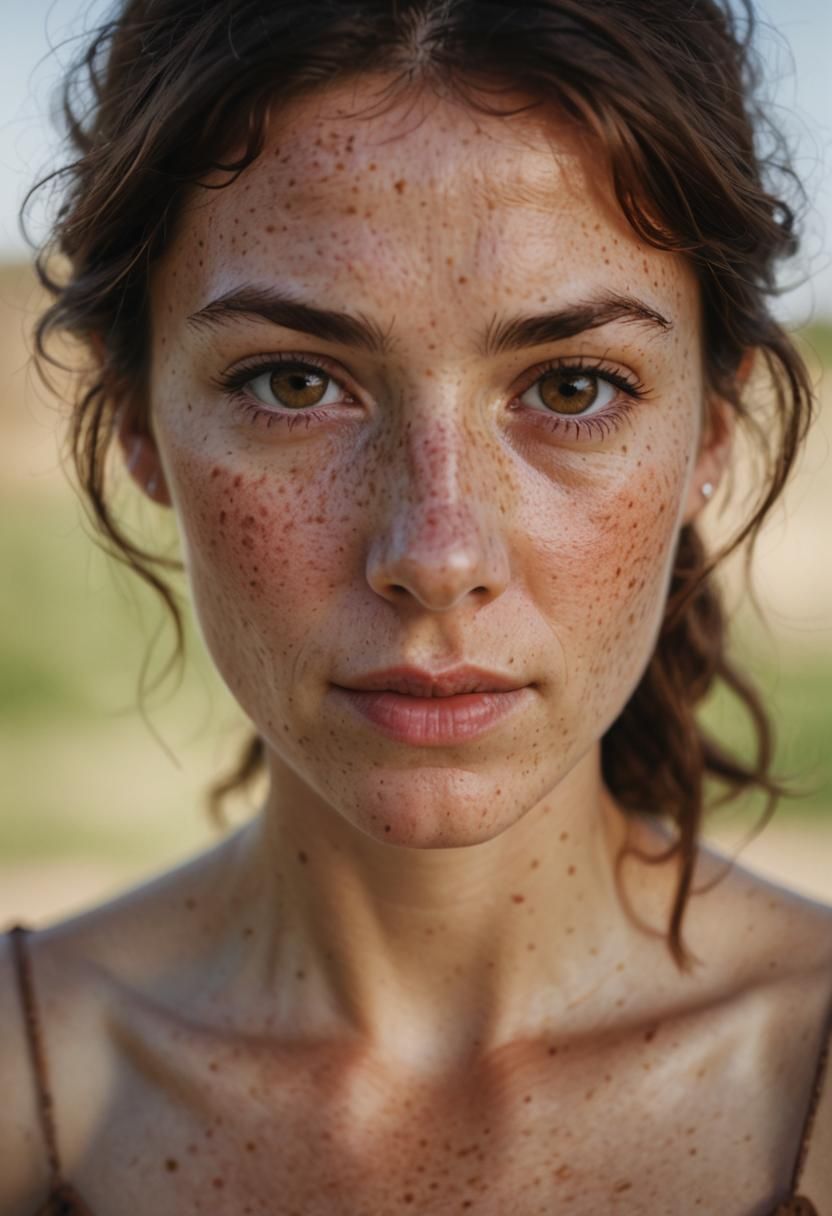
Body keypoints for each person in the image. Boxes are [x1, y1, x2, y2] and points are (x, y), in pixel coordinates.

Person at [2, 0, 830, 1211]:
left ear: (709, 430)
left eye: (572, 385)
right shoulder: (28, 1095)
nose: (436, 554)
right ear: (136, 419)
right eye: (295, 382)